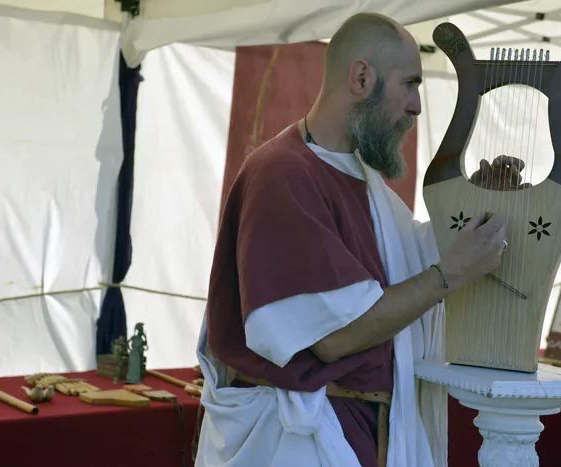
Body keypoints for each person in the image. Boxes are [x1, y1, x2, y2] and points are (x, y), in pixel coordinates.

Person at [195, 12, 526, 467]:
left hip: (353, 432)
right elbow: (332, 337)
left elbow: (408, 267)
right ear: (362, 77)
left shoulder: (360, 177)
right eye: (409, 84)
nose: (416, 107)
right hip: (295, 444)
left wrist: (484, 207)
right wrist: (450, 274)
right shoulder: (283, 174)